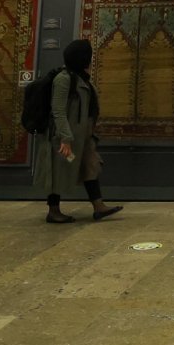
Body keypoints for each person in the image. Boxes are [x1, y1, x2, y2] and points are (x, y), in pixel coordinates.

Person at [38, 39, 122, 223]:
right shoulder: (64, 79)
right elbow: (58, 110)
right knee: (57, 172)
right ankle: (53, 211)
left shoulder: (80, 78)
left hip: (82, 136)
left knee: (90, 166)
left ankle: (98, 206)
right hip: (64, 135)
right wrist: (65, 137)